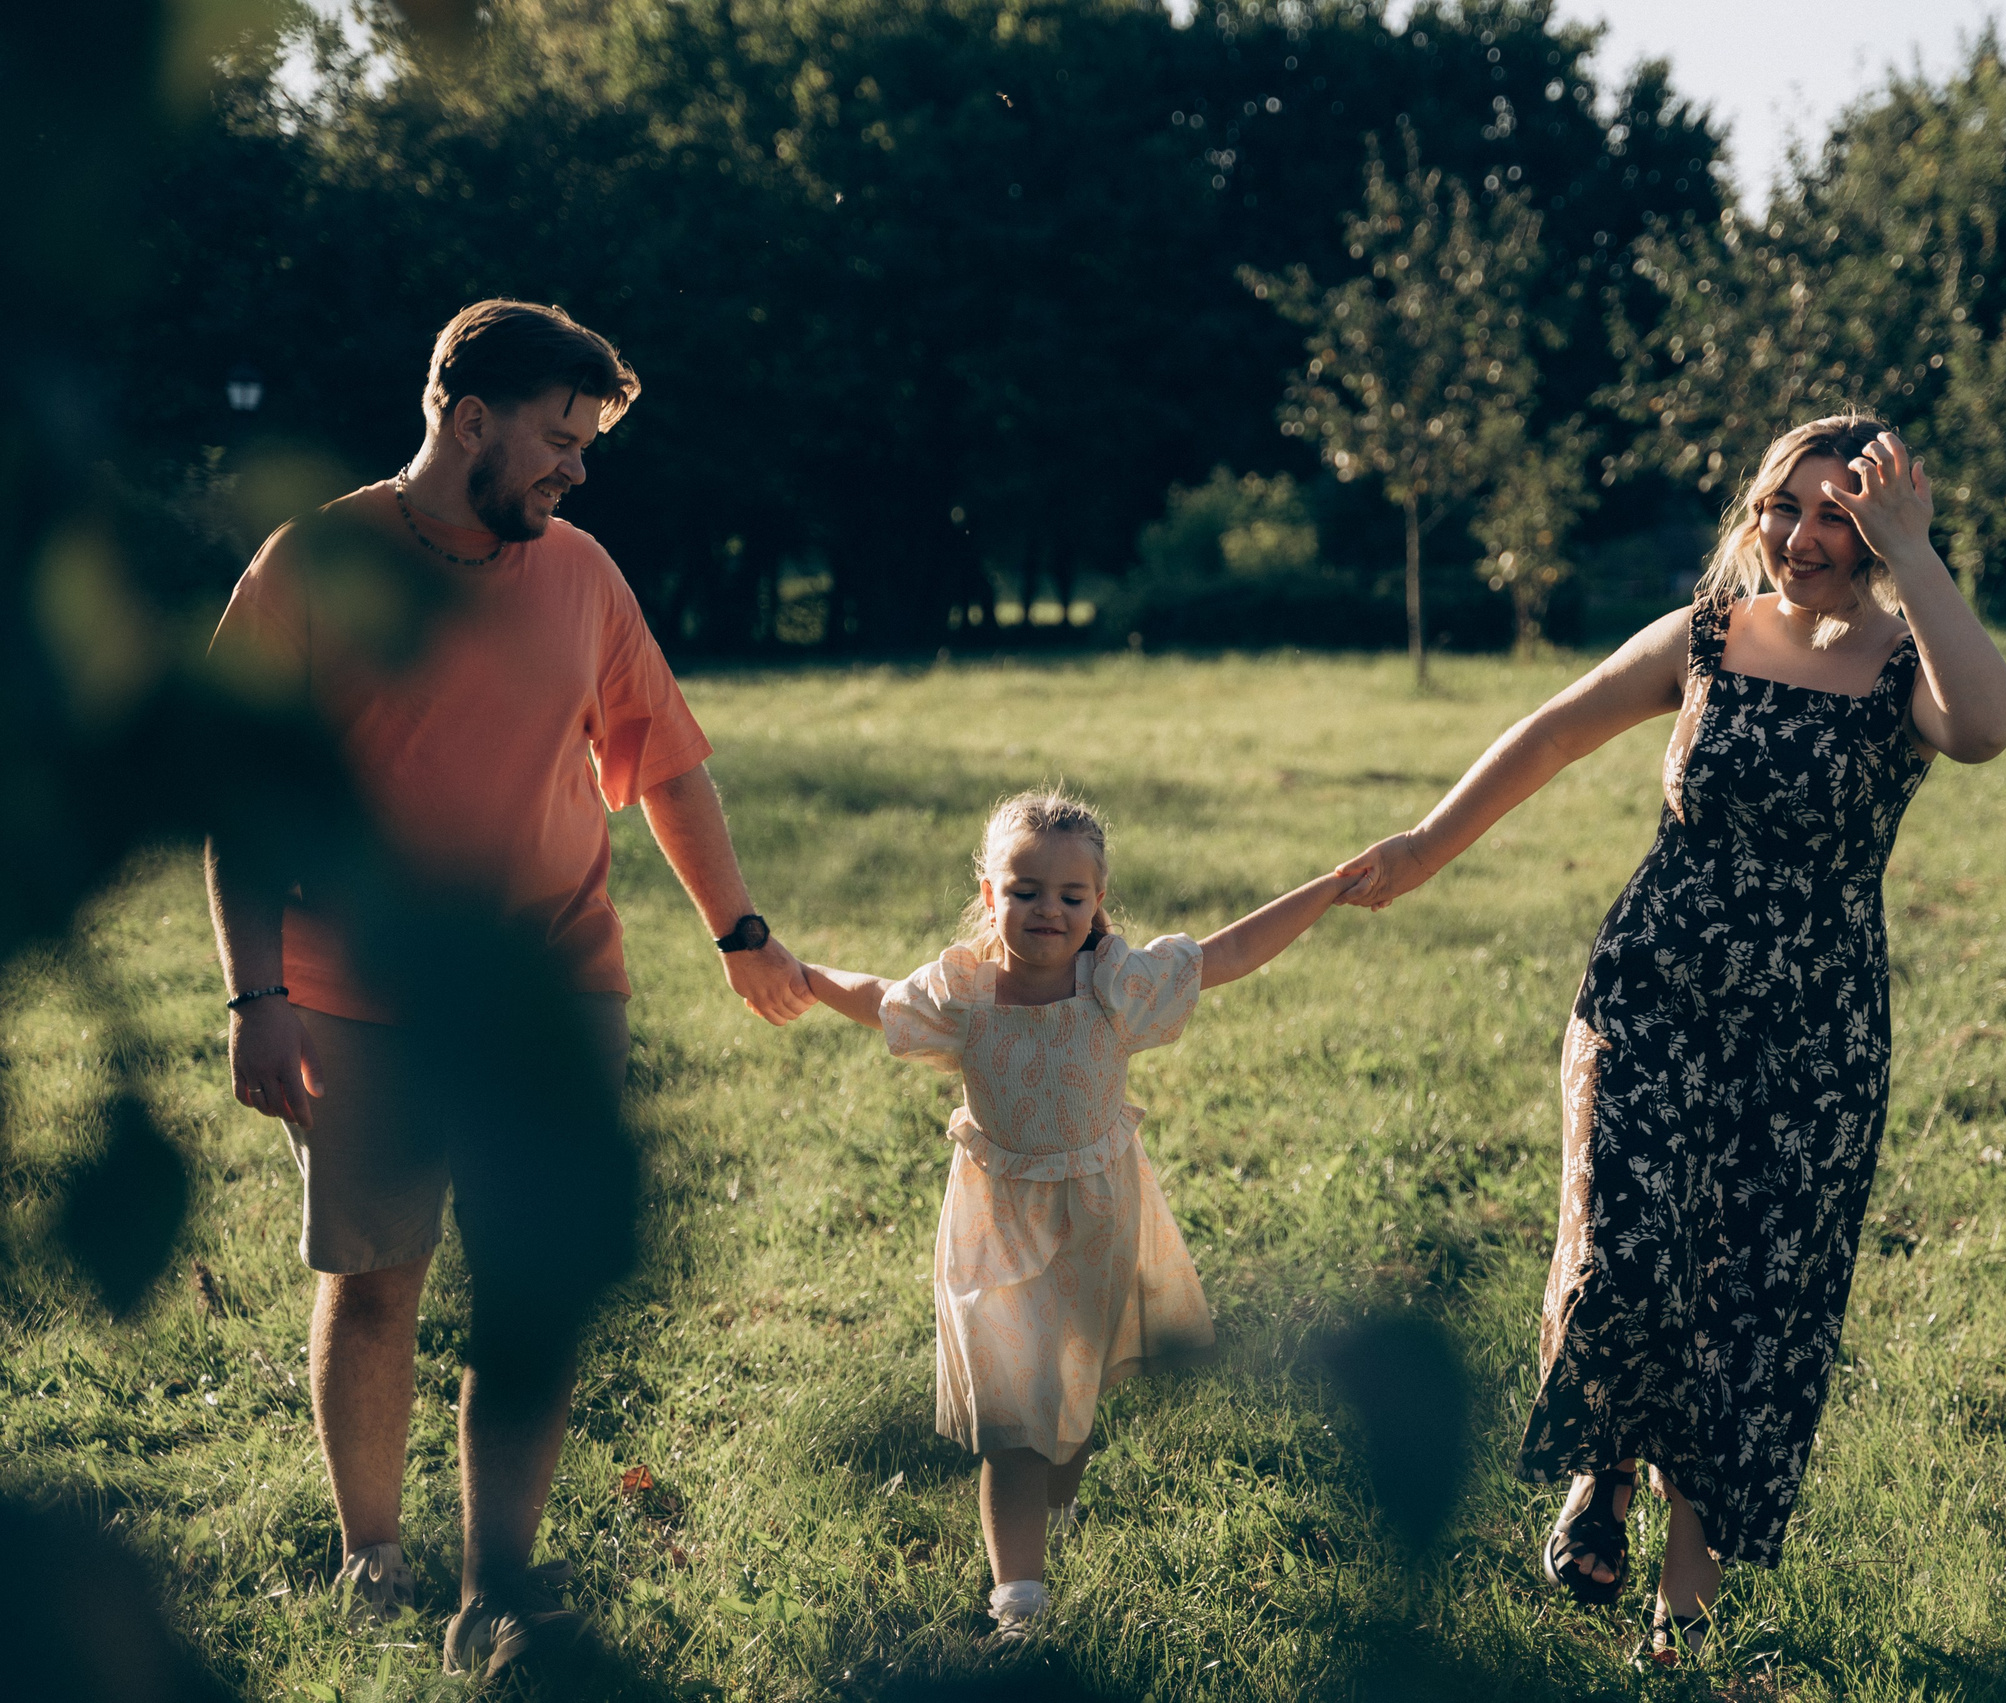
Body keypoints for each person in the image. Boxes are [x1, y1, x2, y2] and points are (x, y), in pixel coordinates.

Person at [1337, 417, 2006, 1664]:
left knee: (1755, 1295)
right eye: (1783, 506)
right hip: (1654, 986)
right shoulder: (1709, 633)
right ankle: (1598, 1471)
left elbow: (1983, 726)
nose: (1804, 537)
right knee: (1631, 1247)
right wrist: (1425, 845)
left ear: (1877, 531)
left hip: (1814, 1023)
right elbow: (1552, 727)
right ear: (1750, 511)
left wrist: (1914, 557)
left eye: (1838, 516)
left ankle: (1683, 1602)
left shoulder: (1900, 660)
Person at [204, 299, 818, 1678]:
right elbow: (237, 799)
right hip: (353, 995)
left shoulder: (583, 572)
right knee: (377, 1278)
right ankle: (374, 1558)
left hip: (551, 986)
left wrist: (743, 932)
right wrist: (255, 996)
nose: (577, 469)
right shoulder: (316, 565)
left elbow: (664, 760)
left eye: (588, 442)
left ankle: (497, 1582)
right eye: (559, 437)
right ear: (466, 419)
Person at [801, 790, 1352, 1641]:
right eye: (1024, 891)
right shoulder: (966, 992)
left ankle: (1053, 1488)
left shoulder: (1115, 987)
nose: (1046, 910)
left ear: (1098, 903)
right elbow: (877, 995)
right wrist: (793, 972)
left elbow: (1228, 951)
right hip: (997, 1227)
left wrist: (1331, 884)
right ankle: (1018, 1605)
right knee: (1014, 1427)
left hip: (1097, 1222)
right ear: (990, 894)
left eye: (1070, 894)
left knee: (1067, 1415)